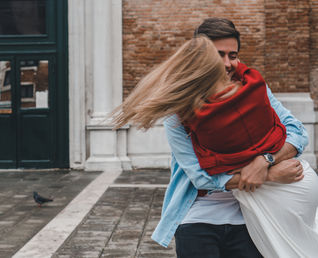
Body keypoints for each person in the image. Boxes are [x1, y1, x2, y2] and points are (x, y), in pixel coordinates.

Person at [111, 18, 310, 257]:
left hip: (251, 214)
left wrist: (265, 160)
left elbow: (297, 131)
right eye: (219, 55)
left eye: (233, 55)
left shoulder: (253, 90)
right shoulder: (179, 111)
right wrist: (269, 175)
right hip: (198, 218)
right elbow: (199, 177)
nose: (228, 63)